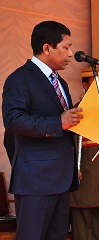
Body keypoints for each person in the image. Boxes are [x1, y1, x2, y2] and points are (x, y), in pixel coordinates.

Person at [2, 21, 83, 239]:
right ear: (47, 48)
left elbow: (66, 124)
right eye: (66, 47)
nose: (71, 53)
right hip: (36, 180)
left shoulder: (61, 83)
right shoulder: (20, 79)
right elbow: (13, 121)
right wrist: (58, 122)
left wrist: (95, 122)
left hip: (63, 177)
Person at [70, 67, 99, 240]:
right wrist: (72, 168)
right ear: (85, 85)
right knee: (82, 226)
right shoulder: (76, 111)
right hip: (83, 175)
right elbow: (70, 145)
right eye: (95, 84)